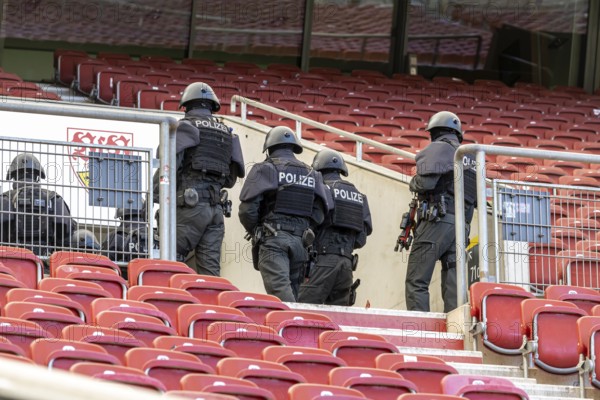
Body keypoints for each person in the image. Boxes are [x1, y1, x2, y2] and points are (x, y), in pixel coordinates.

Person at [154, 82, 245, 276]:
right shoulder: (227, 134)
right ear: (212, 107)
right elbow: (230, 179)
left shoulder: (185, 127)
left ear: (186, 106)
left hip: (189, 209)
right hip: (216, 212)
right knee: (210, 272)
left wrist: (154, 195)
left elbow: (167, 167)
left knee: (170, 262)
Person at [238, 126, 331, 302]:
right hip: (301, 243)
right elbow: (320, 212)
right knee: (293, 293)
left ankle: (292, 323)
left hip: (274, 239)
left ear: (269, 148)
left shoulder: (265, 168)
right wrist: (305, 228)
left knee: (280, 294)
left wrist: (257, 230)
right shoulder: (313, 174)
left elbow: (247, 210)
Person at [404, 111, 477, 313]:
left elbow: (425, 182)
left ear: (434, 132)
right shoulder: (471, 158)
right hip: (461, 228)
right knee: (454, 283)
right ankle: (456, 329)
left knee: (416, 280)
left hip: (437, 221)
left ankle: (420, 330)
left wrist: (413, 182)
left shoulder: (440, 148)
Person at [298, 149, 372, 306]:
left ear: (318, 169)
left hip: (321, 261)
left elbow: (309, 224)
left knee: (304, 309)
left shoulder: (321, 190)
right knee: (338, 316)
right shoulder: (360, 196)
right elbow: (361, 239)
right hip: (346, 266)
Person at [1, 152, 73, 255]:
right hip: (45, 262)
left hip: (11, 262)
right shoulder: (54, 198)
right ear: (37, 177)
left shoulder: (4, 199)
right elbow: (67, 235)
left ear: (13, 177)